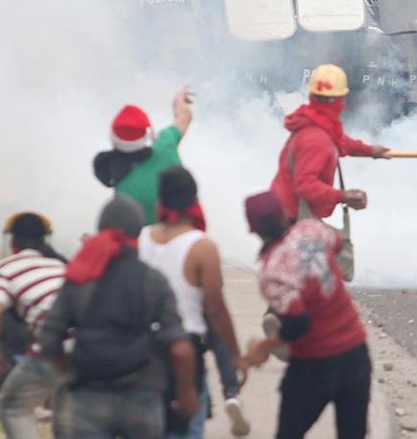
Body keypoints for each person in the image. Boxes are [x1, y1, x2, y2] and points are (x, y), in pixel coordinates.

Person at [38, 197, 199, 439]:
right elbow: (181, 350)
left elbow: (49, 339)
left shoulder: (80, 278)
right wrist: (185, 394)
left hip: (88, 396)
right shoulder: (153, 280)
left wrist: (68, 371)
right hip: (142, 396)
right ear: (138, 233)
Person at [243, 191, 372, 439]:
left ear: (253, 229)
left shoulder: (272, 273)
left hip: (315, 364)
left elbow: (297, 324)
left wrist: (264, 345)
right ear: (283, 213)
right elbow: (335, 244)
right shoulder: (313, 229)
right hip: (355, 352)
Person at [139, 166, 247, 438]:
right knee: (187, 425)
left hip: (141, 350)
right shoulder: (202, 247)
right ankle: (230, 393)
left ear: (159, 201)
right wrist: (234, 355)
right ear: (194, 199)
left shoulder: (141, 238)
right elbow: (216, 309)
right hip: (184, 352)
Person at [269, 63, 389, 270]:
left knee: (297, 289)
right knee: (303, 286)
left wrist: (370, 151)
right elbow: (305, 185)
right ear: (340, 99)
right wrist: (343, 196)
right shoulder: (317, 138)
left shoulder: (317, 124)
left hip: (288, 213)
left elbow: (340, 141)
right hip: (290, 217)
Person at [0, 213, 68, 439]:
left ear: (12, 242)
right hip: (91, 345)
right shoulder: (60, 265)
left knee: (11, 406)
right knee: (66, 410)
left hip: (55, 346)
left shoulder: (5, 267)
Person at [93, 88, 193, 223]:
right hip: (182, 234)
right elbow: (184, 117)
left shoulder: (120, 184)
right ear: (146, 135)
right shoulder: (166, 145)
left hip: (145, 241)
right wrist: (178, 100)